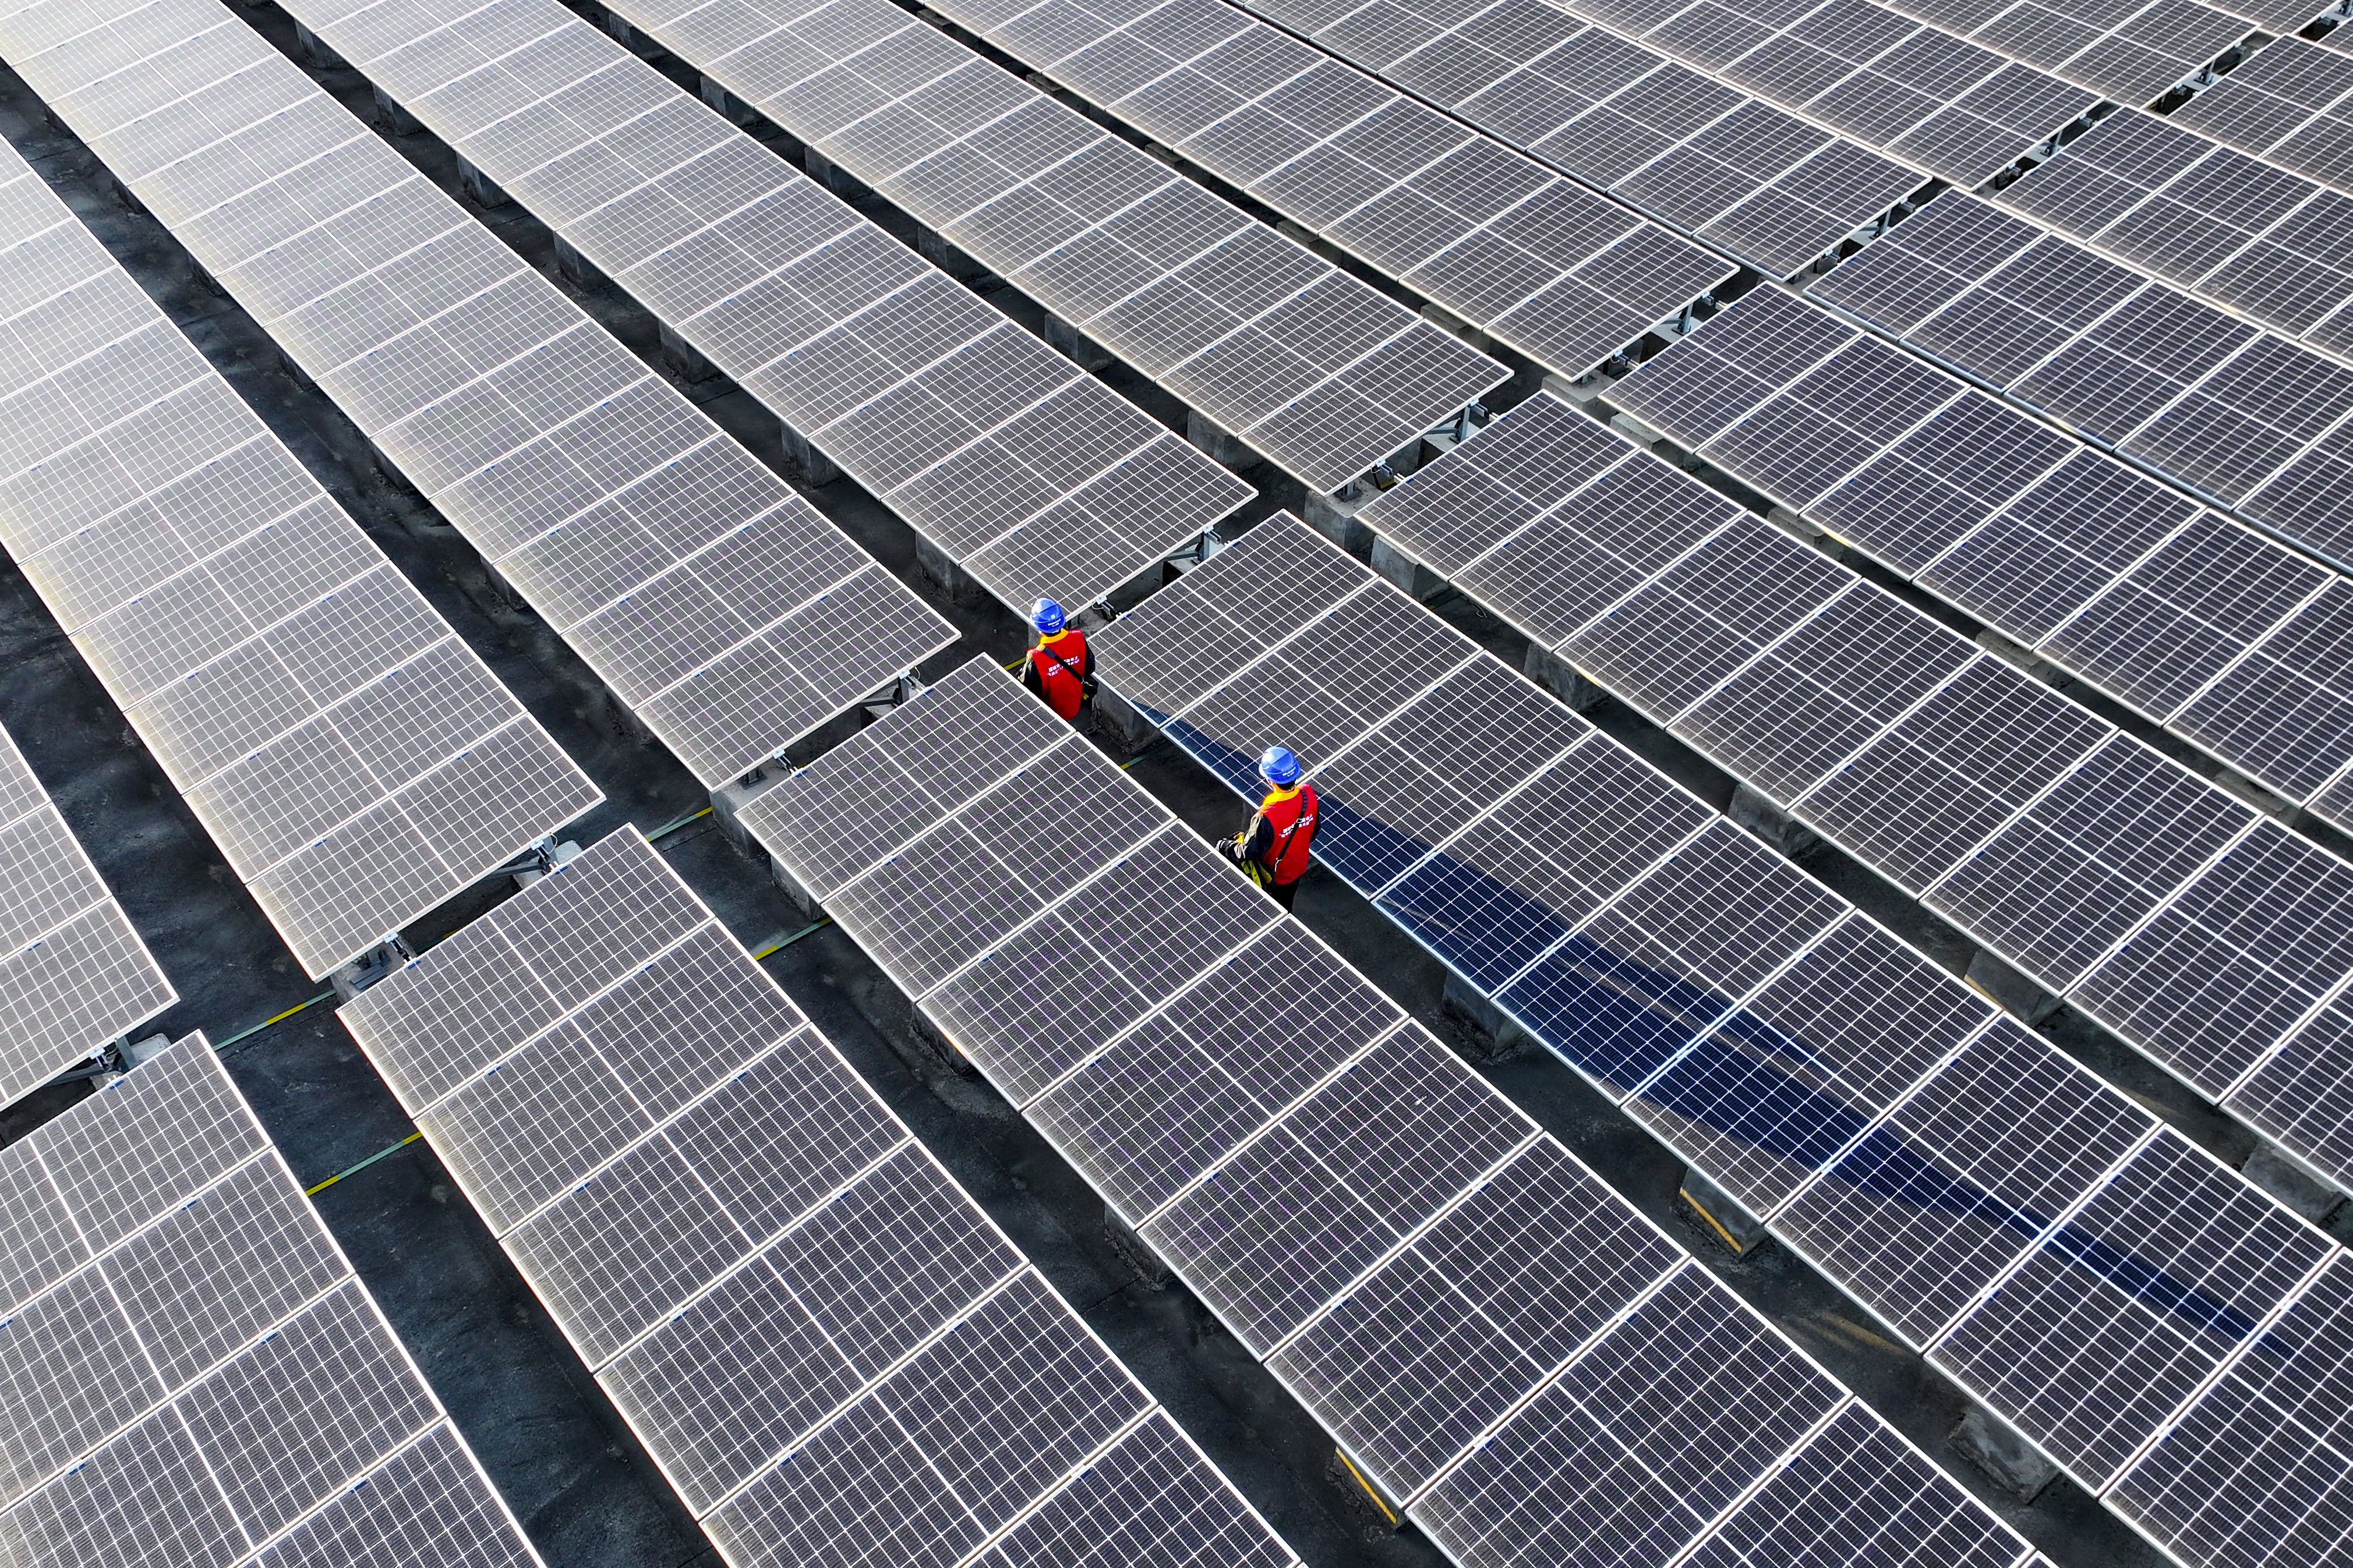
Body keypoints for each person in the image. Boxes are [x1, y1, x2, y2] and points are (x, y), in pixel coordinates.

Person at [1223, 746, 1317, 911]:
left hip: (1274, 875)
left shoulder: (1267, 815)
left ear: (1270, 781)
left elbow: (1248, 851)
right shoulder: (1308, 794)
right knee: (1287, 907)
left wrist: (1225, 847)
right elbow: (1314, 832)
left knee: (1272, 909)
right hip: (1297, 867)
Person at [1020, 598, 1093, 721]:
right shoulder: (1078, 637)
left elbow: (1028, 691)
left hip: (1050, 716)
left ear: (1039, 628)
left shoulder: (1036, 657)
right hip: (1074, 706)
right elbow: (1090, 667)